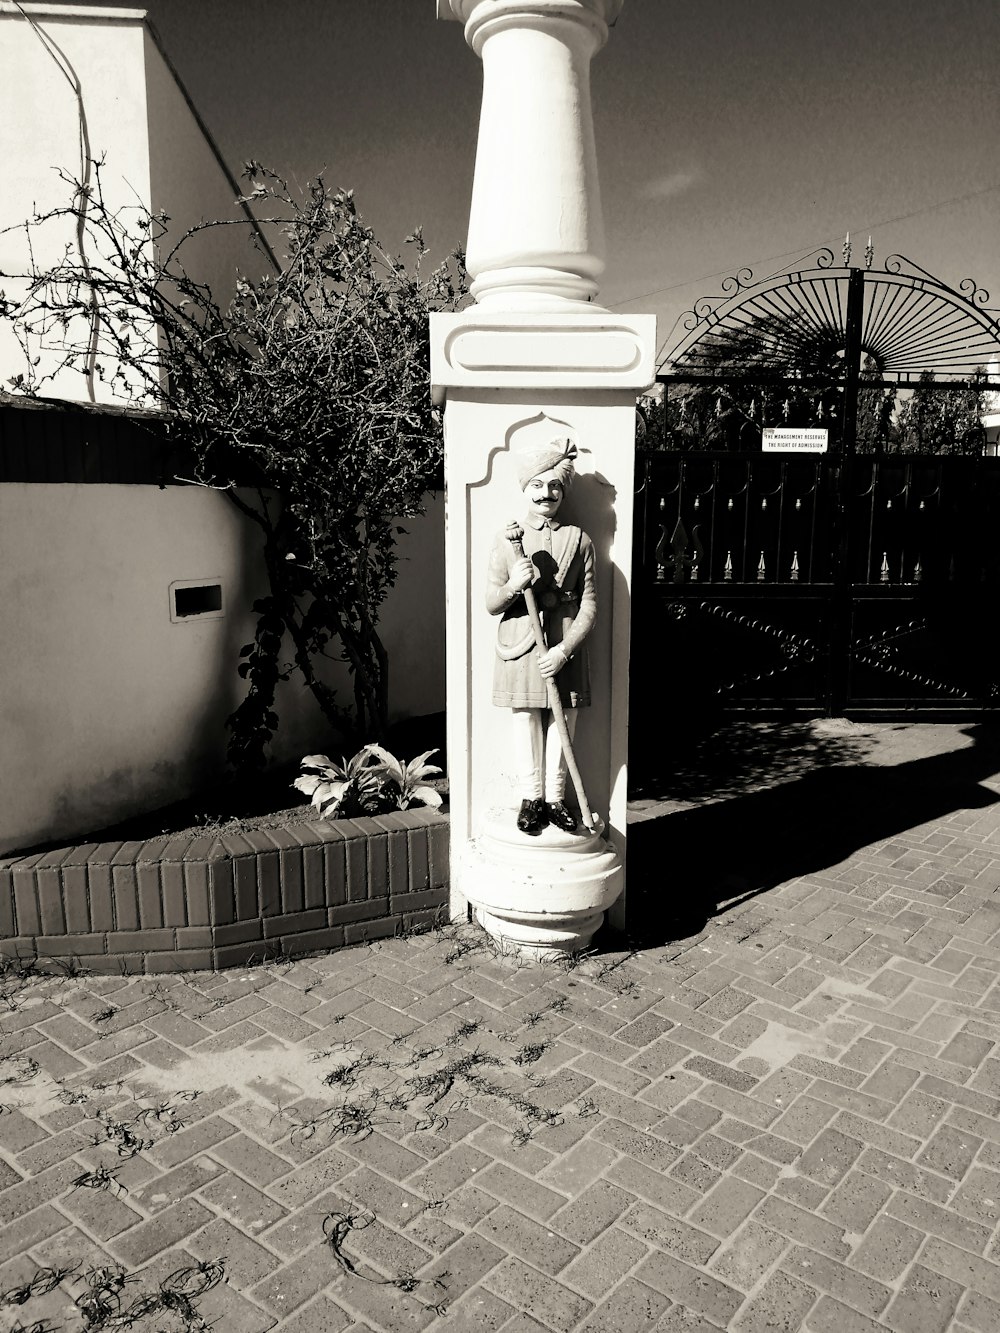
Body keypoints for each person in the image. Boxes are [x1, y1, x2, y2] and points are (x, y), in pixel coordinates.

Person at [485, 438, 596, 835]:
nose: (546, 493)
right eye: (537, 485)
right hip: (521, 641)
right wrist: (515, 584)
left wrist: (566, 650)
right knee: (527, 716)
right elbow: (492, 602)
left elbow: (590, 604)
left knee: (564, 718)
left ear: (563, 490)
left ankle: (555, 798)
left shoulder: (580, 540)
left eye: (554, 485)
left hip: (563, 642)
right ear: (525, 488)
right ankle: (531, 797)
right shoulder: (506, 539)